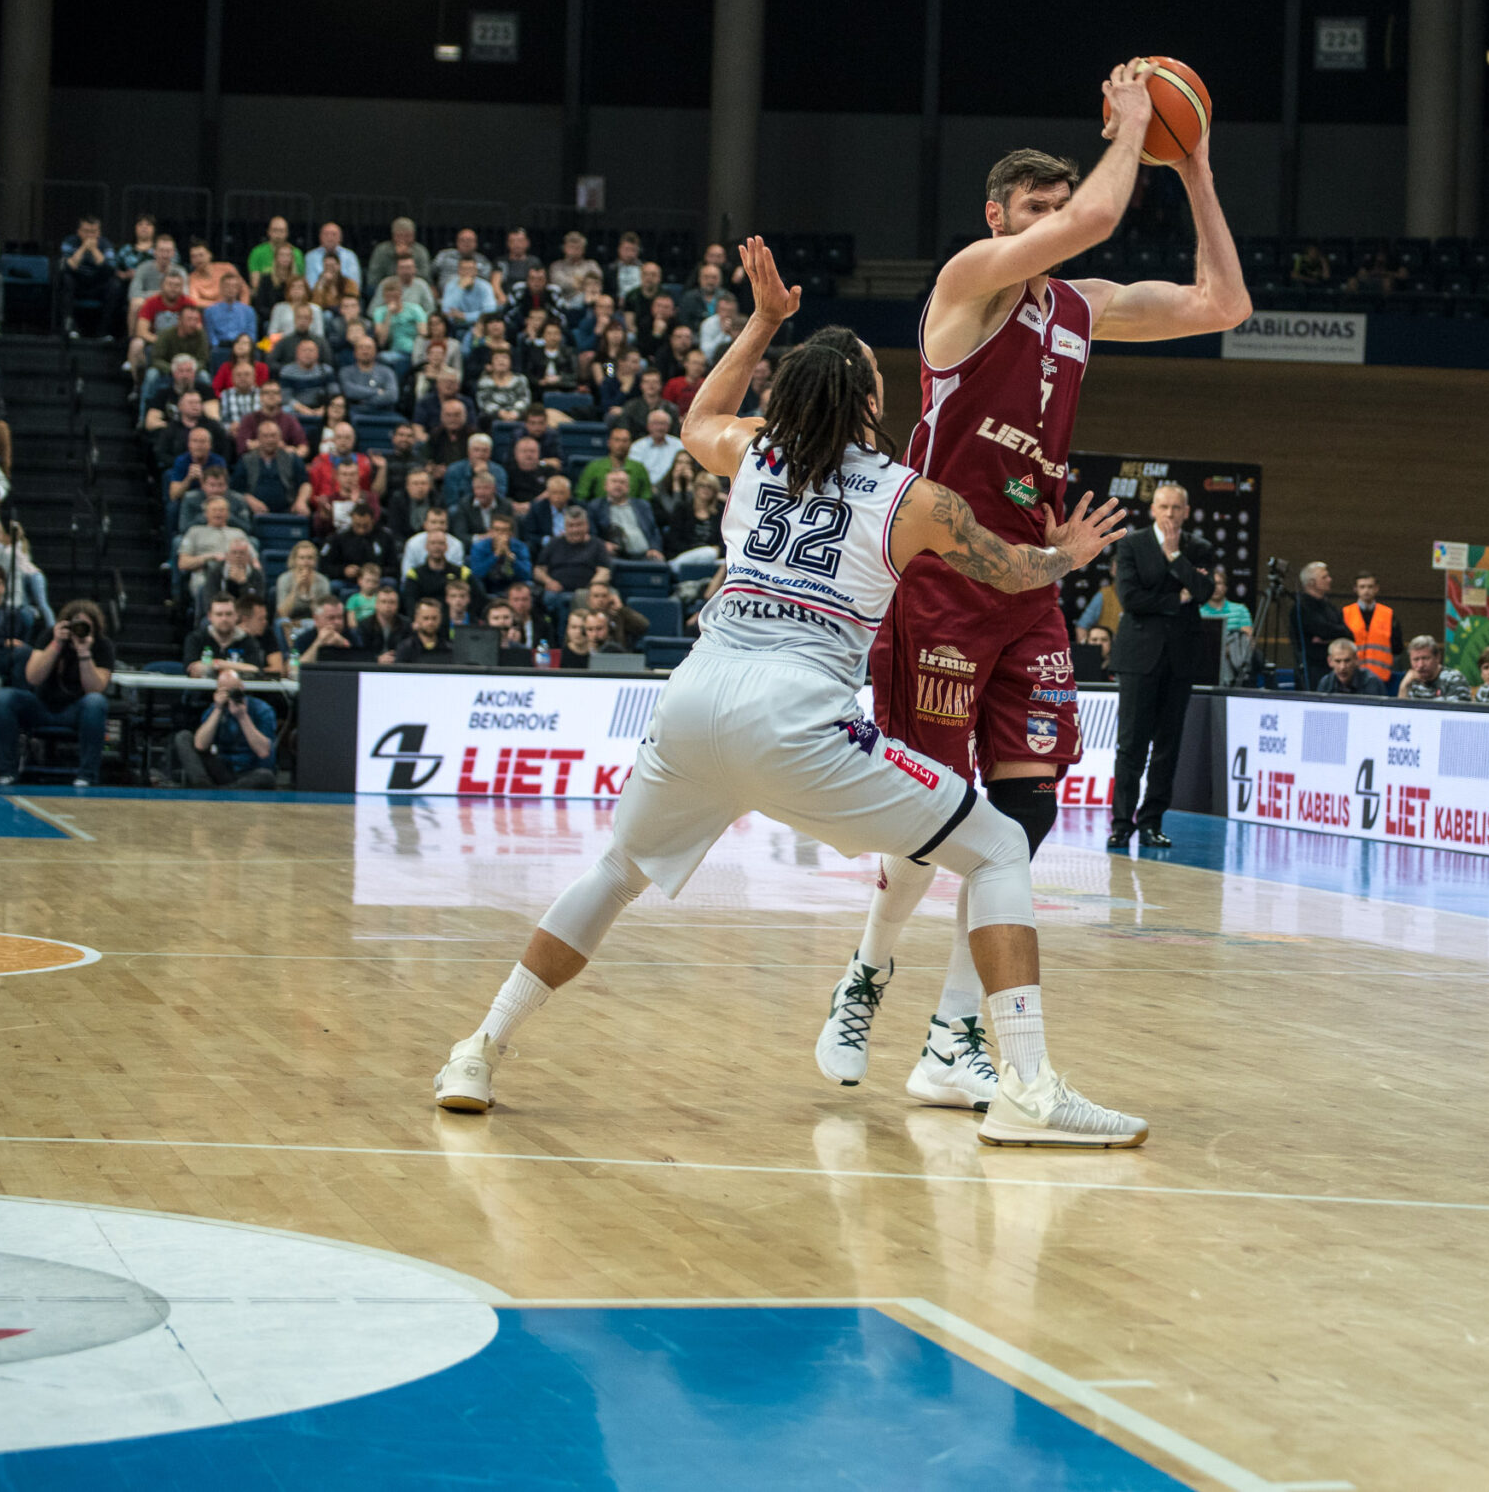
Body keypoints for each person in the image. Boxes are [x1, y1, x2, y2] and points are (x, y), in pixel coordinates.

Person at [437, 236, 1142, 1147]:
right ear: (867, 404)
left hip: (694, 699)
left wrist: (764, 321)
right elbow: (1010, 572)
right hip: (799, 718)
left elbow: (698, 417)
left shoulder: (752, 452)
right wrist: (1066, 554)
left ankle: (478, 1049)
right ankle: (1029, 1088)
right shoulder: (911, 496)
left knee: (614, 873)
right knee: (1001, 844)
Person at [852, 66, 1249, 1104]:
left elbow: (1226, 302)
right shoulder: (966, 283)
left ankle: (950, 1039)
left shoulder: (1081, 306)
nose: (1057, 223)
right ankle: (867, 968)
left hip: (1033, 580)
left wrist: (1195, 166)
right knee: (930, 823)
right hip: (939, 580)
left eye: (1058, 207)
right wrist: (1134, 125)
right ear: (998, 218)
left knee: (1022, 819)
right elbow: (1101, 214)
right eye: (1037, 209)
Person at [1107, 480, 1215, 851]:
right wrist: (1176, 598)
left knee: (1168, 746)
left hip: (1181, 659)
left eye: (1176, 508)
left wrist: (1174, 557)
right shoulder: (1131, 544)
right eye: (1164, 507)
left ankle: (1152, 823)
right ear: (1153, 509)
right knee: (1131, 745)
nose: (1170, 513)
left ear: (1187, 512)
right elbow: (1130, 598)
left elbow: (1203, 593)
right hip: (1139, 658)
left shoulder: (1199, 548)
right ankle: (1122, 823)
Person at [0, 599, 114, 786]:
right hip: (42, 706)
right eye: (75, 626)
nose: (79, 631)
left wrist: (84, 653)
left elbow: (95, 689)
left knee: (96, 702)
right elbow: (33, 678)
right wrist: (56, 643)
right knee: (4, 697)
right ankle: (7, 772)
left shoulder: (102, 645)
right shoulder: (50, 636)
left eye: (85, 627)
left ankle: (87, 775)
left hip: (78, 711)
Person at [179, 666, 277, 790]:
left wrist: (242, 716)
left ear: (242, 688)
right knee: (183, 737)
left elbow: (263, 752)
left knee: (266, 777)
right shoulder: (214, 709)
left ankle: (219, 791)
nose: (230, 696)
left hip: (250, 771)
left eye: (233, 691)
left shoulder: (262, 710)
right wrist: (218, 709)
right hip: (222, 768)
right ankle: (202, 785)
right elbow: (200, 745)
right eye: (225, 692)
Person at [1340, 572, 1402, 684]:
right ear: (1355, 589)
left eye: (1370, 587)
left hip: (1381, 676)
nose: (1366, 590)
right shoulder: (1346, 613)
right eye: (1362, 587)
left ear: (1376, 589)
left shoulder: (1388, 614)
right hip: (1352, 676)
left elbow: (1397, 647)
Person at [1293, 560, 1349, 675]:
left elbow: (1347, 632)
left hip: (1333, 670)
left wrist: (1327, 639)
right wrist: (1334, 637)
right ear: (1311, 583)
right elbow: (1323, 630)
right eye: (1324, 577)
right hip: (1312, 670)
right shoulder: (1301, 608)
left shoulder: (1329, 606)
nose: (1330, 580)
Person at [1398, 634, 1470, 701]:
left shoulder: (1454, 679)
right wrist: (1403, 686)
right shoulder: (1411, 680)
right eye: (1416, 659)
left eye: (1425, 658)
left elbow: (1457, 709)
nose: (1420, 665)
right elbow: (1402, 709)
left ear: (1437, 657)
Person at [1314, 635, 1383, 695]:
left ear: (1356, 659)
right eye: (1338, 661)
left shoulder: (1371, 682)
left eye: (1347, 661)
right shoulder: (1326, 683)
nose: (1342, 667)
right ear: (1330, 661)